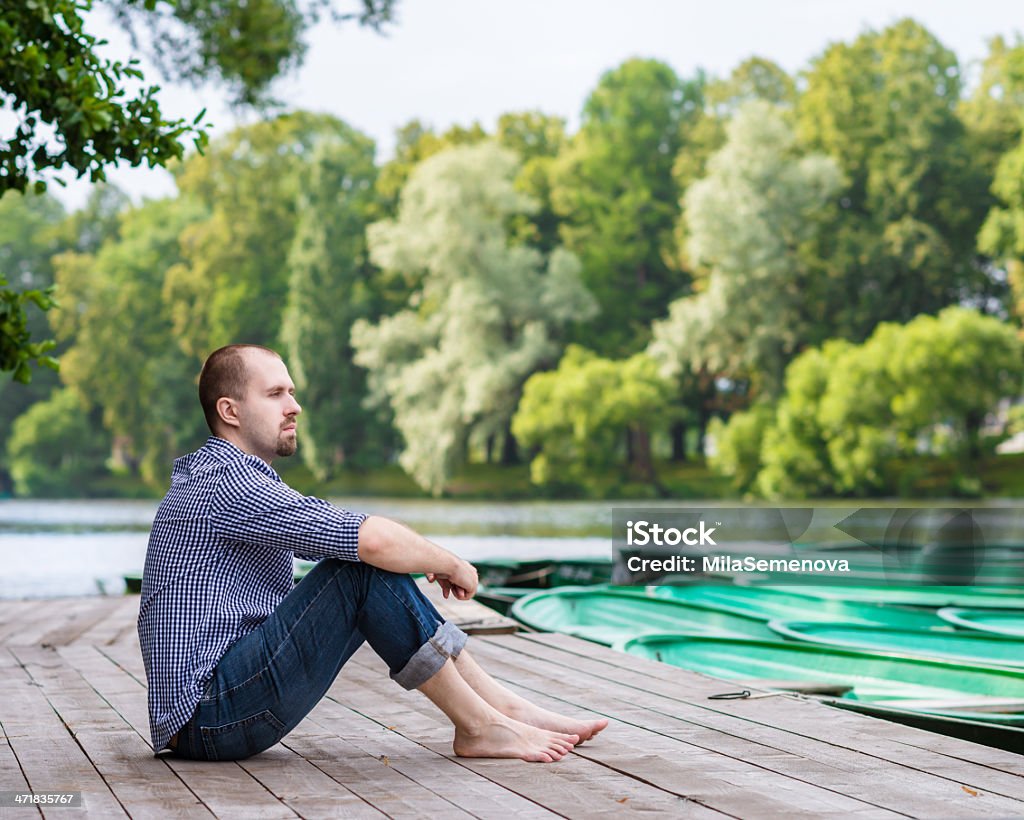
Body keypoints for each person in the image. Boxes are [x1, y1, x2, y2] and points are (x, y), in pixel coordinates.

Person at [138, 343, 607, 763]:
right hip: (209, 715)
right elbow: (373, 540)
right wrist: (450, 562)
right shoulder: (228, 484)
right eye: (276, 394)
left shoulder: (228, 476)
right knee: (362, 569)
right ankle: (481, 724)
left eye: (292, 392)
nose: (294, 406)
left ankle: (501, 709)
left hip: (216, 708)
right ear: (230, 411)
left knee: (364, 564)